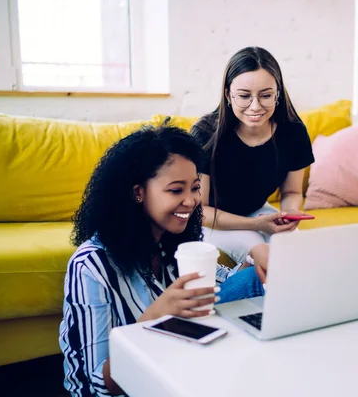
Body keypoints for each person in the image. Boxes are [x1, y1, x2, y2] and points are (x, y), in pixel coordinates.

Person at [58, 123, 264, 396]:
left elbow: (229, 283)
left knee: (257, 279)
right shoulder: (91, 266)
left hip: (176, 370)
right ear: (137, 192)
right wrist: (156, 318)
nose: (191, 201)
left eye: (194, 188)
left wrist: (257, 254)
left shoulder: (172, 244)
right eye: (176, 190)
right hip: (126, 386)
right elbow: (95, 384)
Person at [191, 46, 315, 281]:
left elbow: (292, 191)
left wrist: (289, 214)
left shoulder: (293, 132)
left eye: (266, 95)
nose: (256, 106)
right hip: (213, 221)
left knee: (298, 252)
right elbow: (200, 211)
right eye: (245, 96)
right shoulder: (205, 133)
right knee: (263, 252)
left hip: (259, 212)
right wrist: (257, 225)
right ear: (228, 95)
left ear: (277, 94)